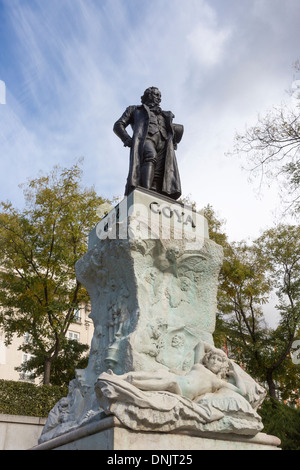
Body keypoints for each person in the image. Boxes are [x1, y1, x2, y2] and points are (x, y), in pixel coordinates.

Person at [113, 87, 183, 200]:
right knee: (151, 156)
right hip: (146, 139)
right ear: (148, 95)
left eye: (160, 96)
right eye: (156, 95)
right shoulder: (135, 109)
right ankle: (145, 190)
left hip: (163, 142)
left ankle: (156, 192)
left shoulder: (164, 114)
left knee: (161, 168)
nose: (159, 98)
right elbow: (118, 125)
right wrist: (126, 139)